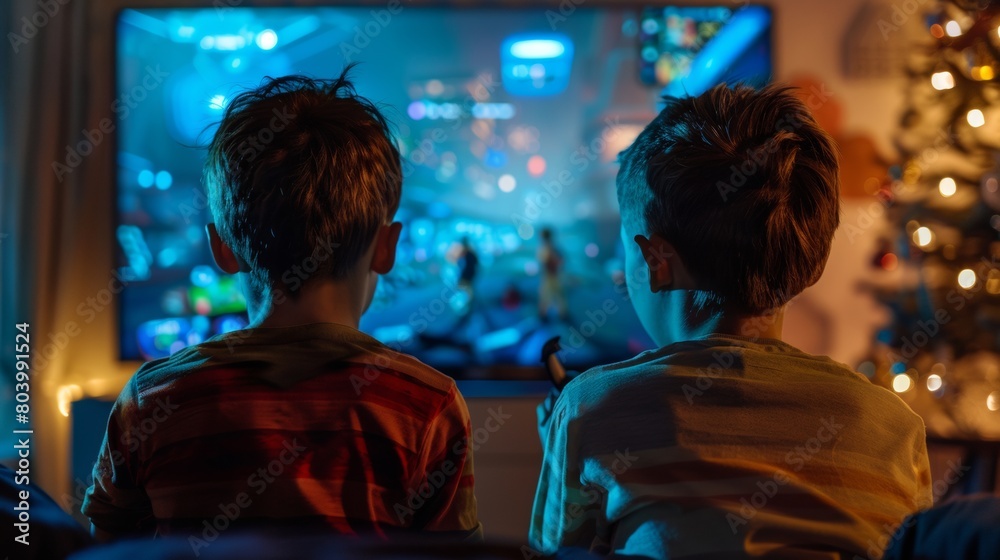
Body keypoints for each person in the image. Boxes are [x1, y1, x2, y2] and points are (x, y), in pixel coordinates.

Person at [530, 84, 932, 559]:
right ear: (812, 258)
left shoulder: (590, 409)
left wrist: (569, 442)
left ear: (656, 261)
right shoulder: (894, 428)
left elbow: (554, 553)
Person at [82, 68, 480, 543]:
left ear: (222, 248)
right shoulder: (428, 407)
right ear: (387, 247)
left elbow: (104, 550)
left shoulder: (151, 401)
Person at [537, 228, 567, 321]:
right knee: (550, 295)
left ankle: (561, 315)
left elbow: (549, 261)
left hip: (551, 275)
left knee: (552, 295)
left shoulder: (548, 248)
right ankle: (546, 315)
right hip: (551, 275)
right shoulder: (548, 248)